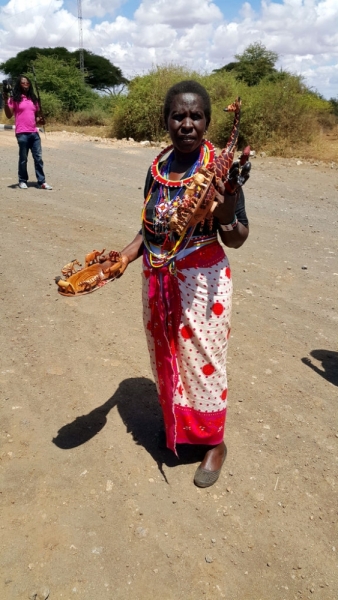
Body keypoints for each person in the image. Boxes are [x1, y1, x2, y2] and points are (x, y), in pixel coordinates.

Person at [117, 80, 249, 488]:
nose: (187, 123)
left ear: (208, 121)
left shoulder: (220, 167)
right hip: (158, 278)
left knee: (205, 363)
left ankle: (214, 443)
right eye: (179, 115)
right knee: (168, 356)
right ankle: (180, 428)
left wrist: (225, 195)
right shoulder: (156, 169)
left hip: (204, 283)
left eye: (195, 116)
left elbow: (237, 236)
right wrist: (123, 256)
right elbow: (148, 228)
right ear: (167, 121)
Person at [2, 75, 52, 190]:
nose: (26, 85)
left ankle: (42, 182)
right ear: (19, 85)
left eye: (27, 83)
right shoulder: (14, 98)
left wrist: (41, 120)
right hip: (22, 133)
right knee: (23, 158)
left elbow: (37, 117)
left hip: (34, 133)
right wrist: (5, 101)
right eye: (23, 83)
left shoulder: (34, 99)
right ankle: (22, 181)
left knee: (38, 158)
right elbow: (9, 115)